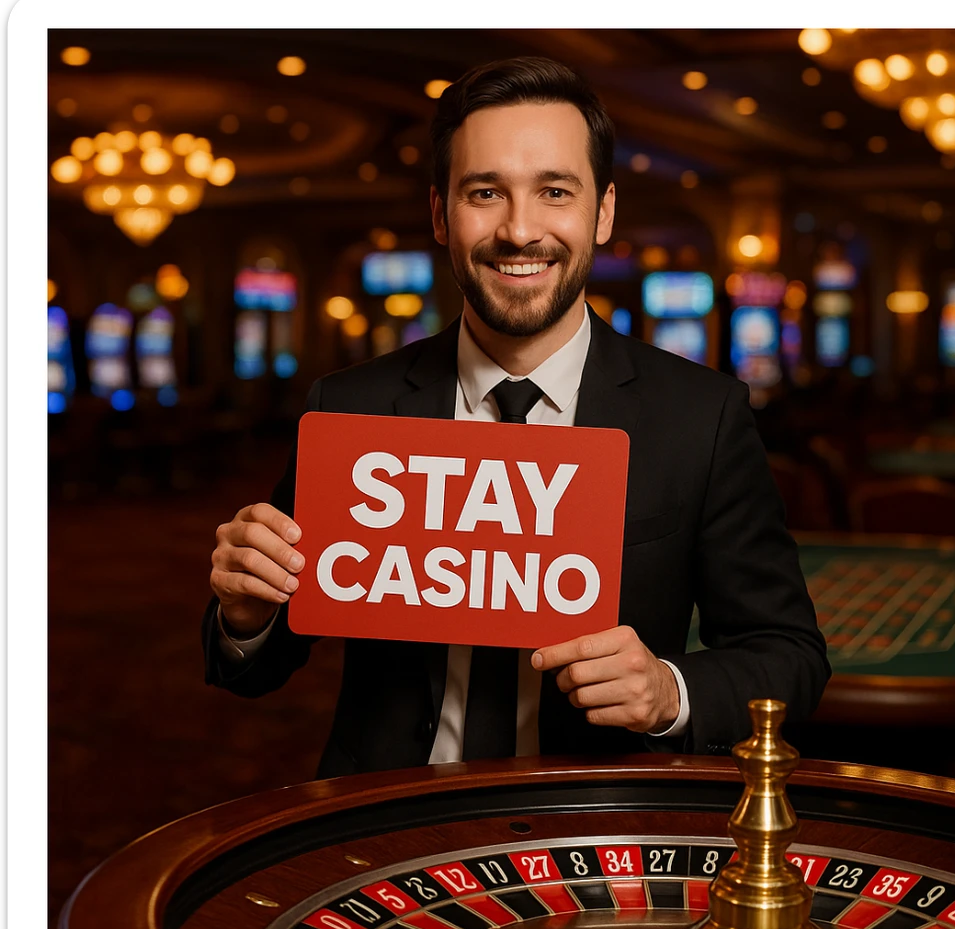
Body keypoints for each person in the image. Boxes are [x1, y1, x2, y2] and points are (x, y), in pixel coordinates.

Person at [203, 56, 830, 778]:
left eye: (555, 191)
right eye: (485, 192)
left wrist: (669, 691)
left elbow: (790, 657)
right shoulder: (351, 407)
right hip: (384, 808)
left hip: (598, 820)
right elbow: (257, 662)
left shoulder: (702, 416)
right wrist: (246, 615)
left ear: (603, 212)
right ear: (441, 214)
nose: (520, 230)